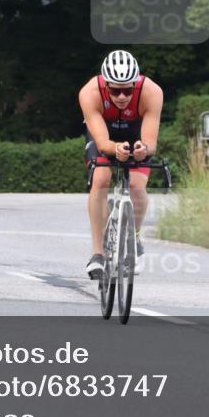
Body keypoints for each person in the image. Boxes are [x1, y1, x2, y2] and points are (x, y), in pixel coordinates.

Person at [79, 50, 163, 279]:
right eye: (116, 90)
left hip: (136, 133)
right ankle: (97, 253)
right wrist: (115, 149)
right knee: (101, 179)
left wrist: (142, 149)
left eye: (128, 89)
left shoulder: (152, 92)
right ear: (105, 85)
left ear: (136, 84)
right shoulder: (89, 92)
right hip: (104, 134)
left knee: (136, 186)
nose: (123, 96)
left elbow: (150, 142)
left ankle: (133, 236)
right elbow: (104, 143)